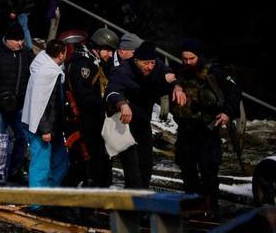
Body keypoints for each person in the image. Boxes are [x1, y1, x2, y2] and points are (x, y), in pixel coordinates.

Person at [171, 39, 241, 214]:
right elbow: (168, 79)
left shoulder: (213, 73)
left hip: (207, 132)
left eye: (191, 58)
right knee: (188, 174)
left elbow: (234, 92)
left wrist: (227, 112)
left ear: (199, 56)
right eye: (184, 58)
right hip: (186, 131)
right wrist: (176, 86)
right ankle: (193, 210)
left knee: (209, 174)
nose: (188, 62)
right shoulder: (181, 72)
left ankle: (212, 211)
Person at [105, 41, 186, 189]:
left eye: (152, 63)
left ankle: (142, 200)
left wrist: (177, 87)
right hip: (125, 124)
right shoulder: (123, 71)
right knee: (133, 169)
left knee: (146, 164)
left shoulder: (156, 65)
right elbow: (111, 91)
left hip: (143, 121)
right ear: (136, 61)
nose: (150, 67)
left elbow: (170, 74)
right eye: (146, 63)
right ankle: (133, 204)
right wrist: (122, 104)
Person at [0, 22, 33, 183]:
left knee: (22, 137)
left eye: (22, 40)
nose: (20, 43)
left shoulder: (26, 54)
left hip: (19, 105)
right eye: (16, 40)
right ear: (8, 40)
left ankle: (14, 169)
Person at [65, 27, 119, 187]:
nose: (110, 55)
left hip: (97, 122)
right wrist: (106, 103)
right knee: (87, 166)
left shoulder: (97, 63)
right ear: (97, 47)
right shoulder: (83, 65)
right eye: (107, 50)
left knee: (99, 164)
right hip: (86, 123)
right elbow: (84, 96)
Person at [22, 40, 69, 188]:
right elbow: (41, 104)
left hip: (53, 126)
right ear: (61, 54)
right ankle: (37, 202)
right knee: (41, 165)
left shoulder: (48, 67)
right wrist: (45, 130)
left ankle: (50, 194)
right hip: (44, 129)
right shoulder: (46, 73)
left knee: (60, 162)